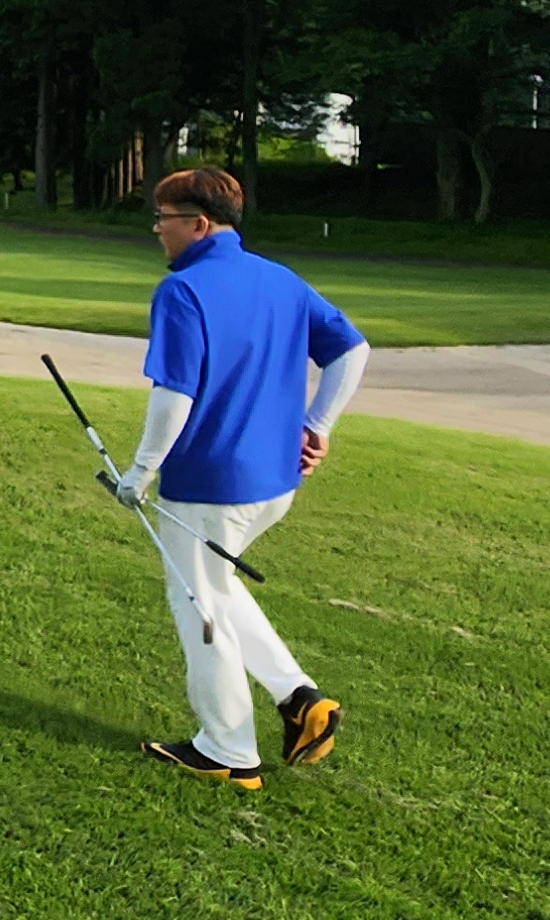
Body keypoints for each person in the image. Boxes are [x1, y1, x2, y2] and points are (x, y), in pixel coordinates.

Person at [112, 165, 368, 790]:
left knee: (200, 609)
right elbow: (352, 350)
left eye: (164, 219)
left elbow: (174, 394)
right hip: (275, 481)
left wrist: (139, 473)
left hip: (208, 484)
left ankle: (227, 751)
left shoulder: (183, 291)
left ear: (198, 225)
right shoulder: (278, 278)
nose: (157, 229)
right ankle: (302, 700)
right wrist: (318, 424)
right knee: (218, 589)